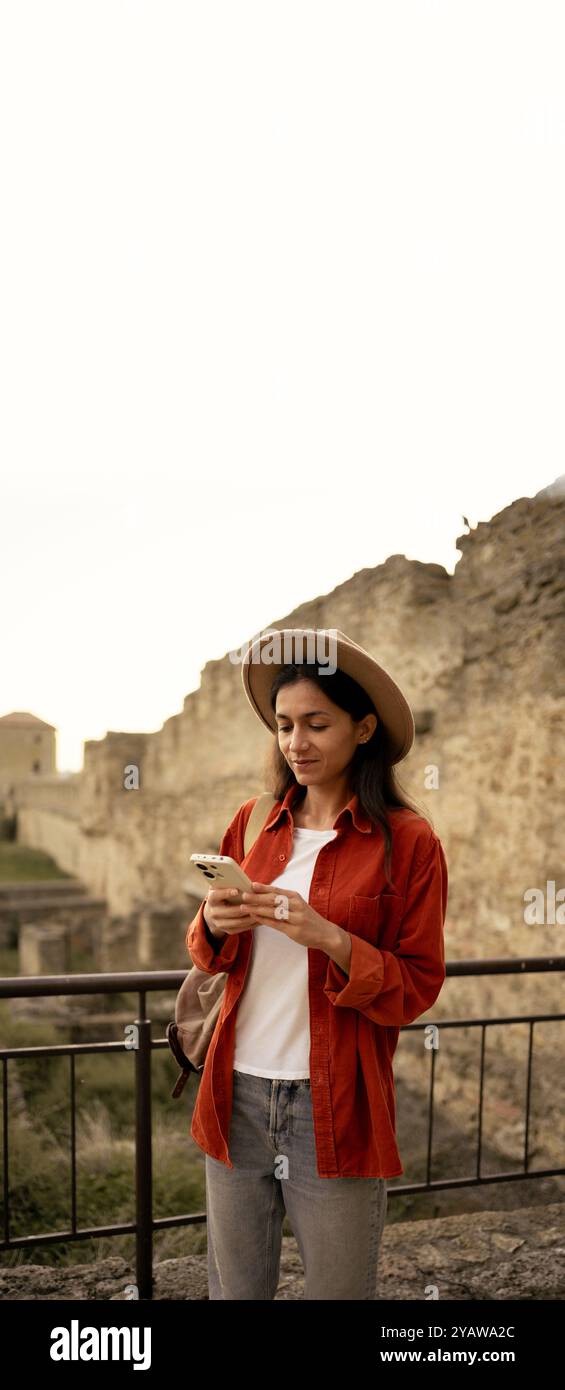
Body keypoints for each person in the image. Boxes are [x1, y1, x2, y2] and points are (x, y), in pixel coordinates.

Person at [186, 627, 448, 1300]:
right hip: (235, 1092)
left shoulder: (409, 842)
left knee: (338, 1291)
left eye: (315, 724)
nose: (295, 743)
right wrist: (213, 923)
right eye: (283, 726)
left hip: (335, 1103)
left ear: (363, 729)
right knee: (235, 1293)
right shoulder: (252, 822)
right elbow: (212, 958)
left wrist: (332, 939)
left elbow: (415, 985)